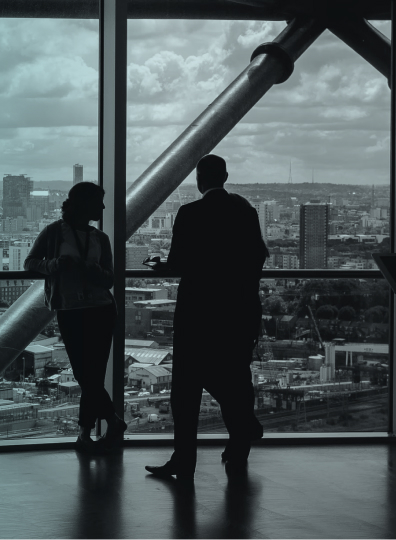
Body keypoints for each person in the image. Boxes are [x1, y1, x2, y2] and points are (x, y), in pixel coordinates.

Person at [144, 154, 268, 480]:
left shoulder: (190, 213)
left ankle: (184, 461)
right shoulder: (246, 212)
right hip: (238, 311)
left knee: (186, 388)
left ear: (199, 180)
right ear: (225, 176)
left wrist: (159, 267)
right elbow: (258, 257)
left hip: (198, 313)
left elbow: (179, 264)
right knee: (235, 376)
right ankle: (239, 443)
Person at [23, 182, 124, 453]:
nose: (103, 208)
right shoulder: (55, 232)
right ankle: (109, 422)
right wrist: (54, 265)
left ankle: (85, 433)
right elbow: (30, 263)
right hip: (77, 310)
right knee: (86, 374)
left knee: (90, 374)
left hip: (97, 310)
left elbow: (108, 278)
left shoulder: (99, 238)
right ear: (84, 204)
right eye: (98, 202)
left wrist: (84, 268)